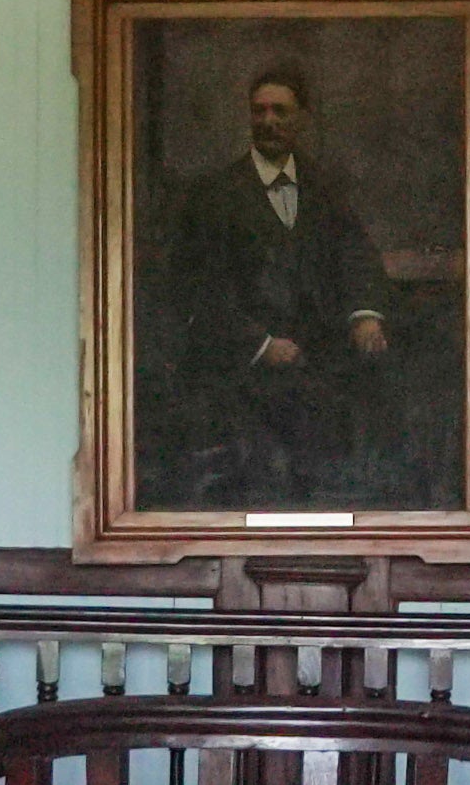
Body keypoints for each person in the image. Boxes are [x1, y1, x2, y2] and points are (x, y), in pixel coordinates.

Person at [158, 67, 400, 503]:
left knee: (366, 440)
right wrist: (260, 344)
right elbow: (198, 289)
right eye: (259, 111)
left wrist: (365, 316)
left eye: (280, 111)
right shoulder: (213, 195)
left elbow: (356, 254)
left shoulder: (324, 187)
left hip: (318, 359)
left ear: (302, 118)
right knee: (266, 479)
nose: (268, 121)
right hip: (241, 371)